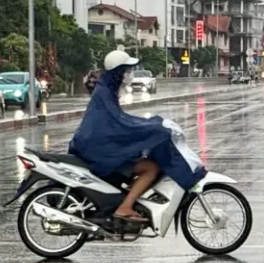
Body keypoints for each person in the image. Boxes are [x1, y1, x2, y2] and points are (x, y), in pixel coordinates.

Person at [69, 50, 206, 223]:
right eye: (126, 70)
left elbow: (120, 119)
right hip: (99, 150)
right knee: (151, 168)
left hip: (99, 146)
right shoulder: (104, 93)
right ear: (118, 71)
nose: (129, 74)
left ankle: (126, 201)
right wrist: (150, 127)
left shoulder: (107, 89)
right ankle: (125, 207)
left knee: (142, 157)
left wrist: (150, 125)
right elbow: (120, 123)